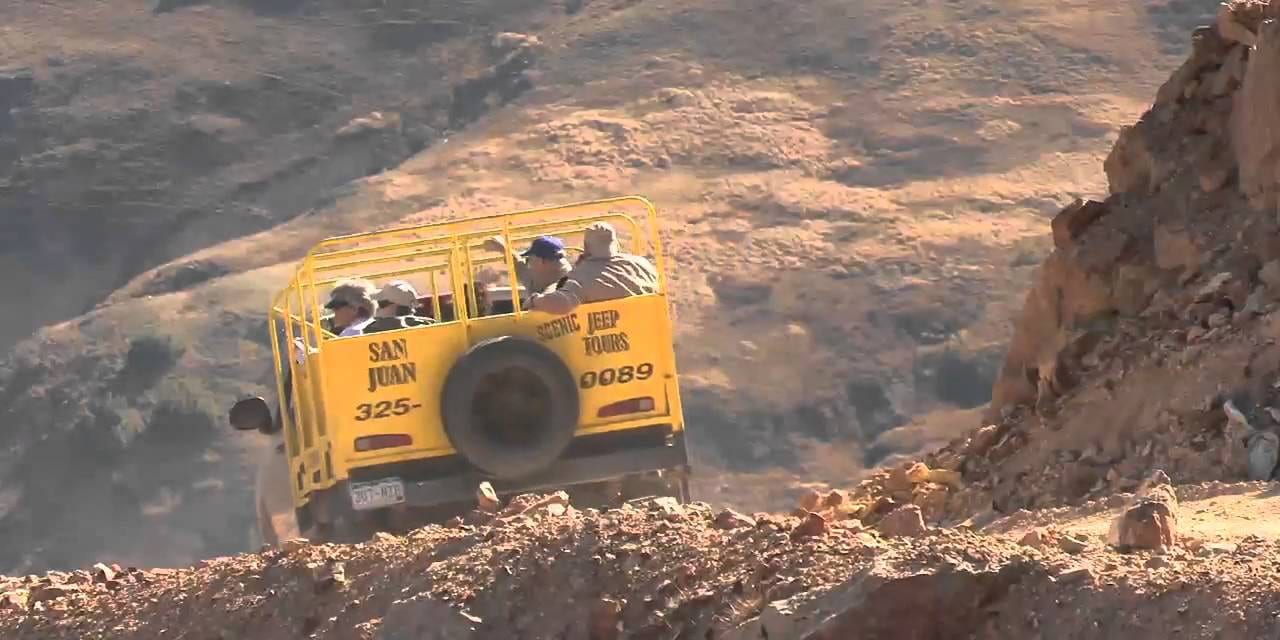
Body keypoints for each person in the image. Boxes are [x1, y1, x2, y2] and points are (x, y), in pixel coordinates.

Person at [528, 222, 659, 315]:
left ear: (586, 246)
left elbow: (561, 303)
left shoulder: (583, 275)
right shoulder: (644, 265)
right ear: (614, 243)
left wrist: (535, 300)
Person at [482, 234, 573, 301]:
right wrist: (503, 248)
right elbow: (518, 264)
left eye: (530, 259)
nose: (528, 263)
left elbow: (550, 296)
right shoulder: (541, 273)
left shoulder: (568, 282)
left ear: (542, 261)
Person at [365, 280, 435, 333]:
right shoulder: (431, 325)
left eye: (380, 303)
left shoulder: (370, 331)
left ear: (393, 306)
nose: (376, 308)